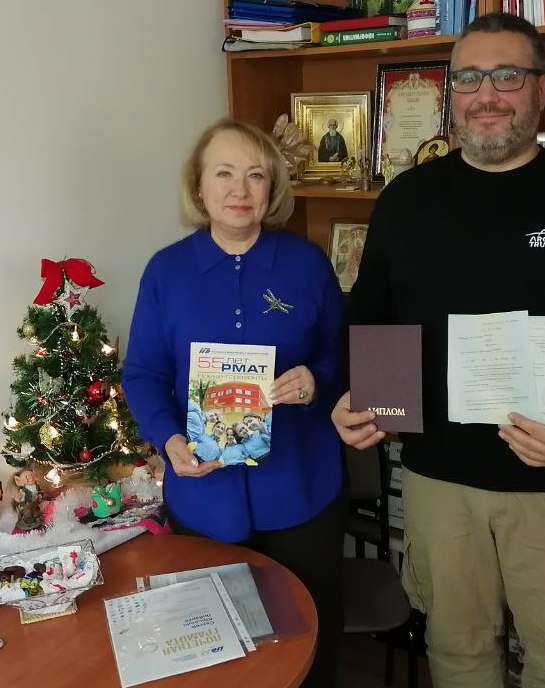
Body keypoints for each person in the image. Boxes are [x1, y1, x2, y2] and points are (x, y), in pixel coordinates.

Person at [331, 13, 545, 688]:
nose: (485, 94)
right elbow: (371, 315)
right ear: (451, 93)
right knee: (457, 654)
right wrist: (363, 399)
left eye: (507, 76)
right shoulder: (407, 199)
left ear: (542, 89)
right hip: (438, 481)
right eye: (468, 78)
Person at [122, 118, 345, 687]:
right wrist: (169, 439)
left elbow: (341, 356)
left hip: (301, 490)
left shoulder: (307, 264)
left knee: (308, 642)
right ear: (198, 187)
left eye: (255, 175)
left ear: (272, 188)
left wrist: (316, 381)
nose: (240, 190)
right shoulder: (166, 271)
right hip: (204, 495)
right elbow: (143, 374)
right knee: (216, 656)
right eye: (224, 173)